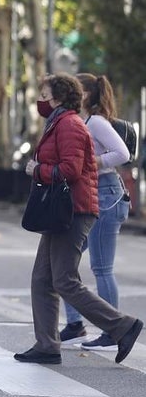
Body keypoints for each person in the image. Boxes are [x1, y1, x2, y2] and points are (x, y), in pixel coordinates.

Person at [15, 73, 143, 365]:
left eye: (45, 96)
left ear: (59, 98)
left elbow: (71, 170)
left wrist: (37, 170)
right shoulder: (61, 122)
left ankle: (122, 325)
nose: (40, 101)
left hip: (73, 209)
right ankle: (47, 345)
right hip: (61, 209)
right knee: (42, 279)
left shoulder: (70, 124)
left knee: (65, 279)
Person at [58, 73, 130, 351]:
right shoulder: (81, 121)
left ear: (86, 94)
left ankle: (113, 331)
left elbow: (122, 153)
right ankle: (75, 325)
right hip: (90, 192)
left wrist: (94, 162)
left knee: (101, 267)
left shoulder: (96, 121)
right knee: (65, 260)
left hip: (106, 193)